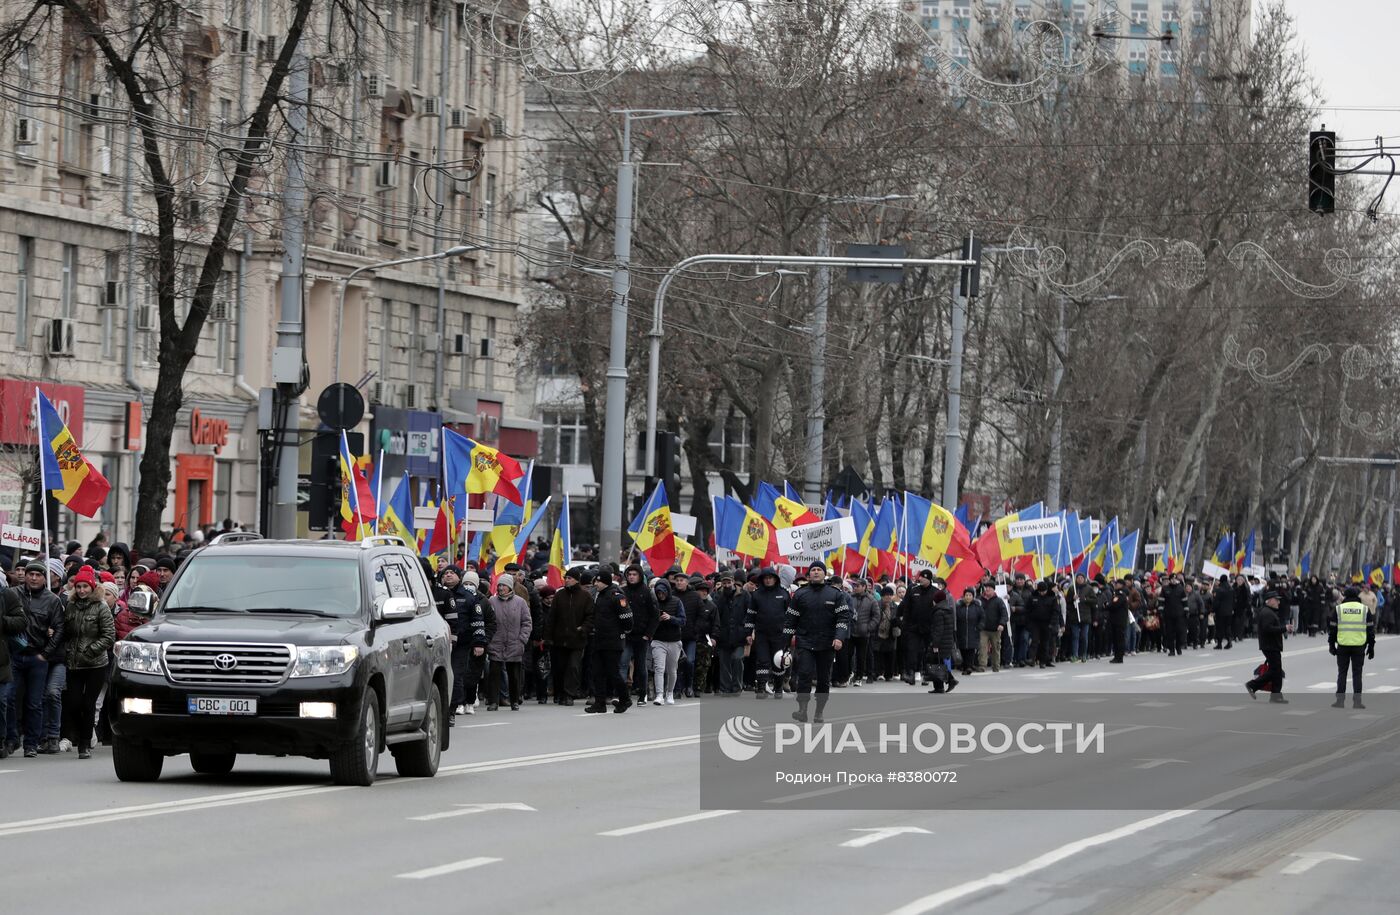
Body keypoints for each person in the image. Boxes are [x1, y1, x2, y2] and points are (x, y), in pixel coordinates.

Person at [7, 561, 65, 757]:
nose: (33, 577)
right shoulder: (13, 594)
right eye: (30, 574)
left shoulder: (52, 600)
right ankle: (11, 739)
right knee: (9, 698)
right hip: (14, 656)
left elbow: (59, 628)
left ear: (44, 577)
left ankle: (32, 743)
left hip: (37, 657)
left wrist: (46, 654)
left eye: (38, 574)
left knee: (34, 702)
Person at [785, 561, 851, 724]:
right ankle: (802, 710)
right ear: (808, 574)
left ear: (824, 574)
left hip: (827, 643)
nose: (815, 572)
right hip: (805, 641)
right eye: (813, 570)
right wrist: (785, 643)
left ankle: (819, 711)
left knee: (823, 679)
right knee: (805, 674)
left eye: (818, 570)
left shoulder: (835, 594)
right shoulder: (800, 594)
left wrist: (839, 637)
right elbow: (790, 620)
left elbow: (843, 618)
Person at [60, 567, 115, 760]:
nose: (82, 590)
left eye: (85, 587)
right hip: (74, 663)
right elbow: (67, 630)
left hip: (95, 664)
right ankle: (83, 733)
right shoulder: (71, 605)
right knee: (74, 704)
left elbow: (109, 636)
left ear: (92, 587)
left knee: (88, 703)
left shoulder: (101, 607)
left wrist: (91, 650)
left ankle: (84, 744)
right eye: (79, 587)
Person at [586, 569, 632, 714]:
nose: (596, 584)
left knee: (613, 672)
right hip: (599, 640)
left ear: (605, 582)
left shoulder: (617, 596)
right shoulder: (599, 596)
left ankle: (625, 699)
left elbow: (627, 618)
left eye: (599, 581)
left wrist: (621, 633)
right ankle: (600, 703)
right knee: (597, 672)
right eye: (596, 581)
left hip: (613, 641)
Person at [546, 567, 593, 707]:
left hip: (577, 639)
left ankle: (569, 694)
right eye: (566, 578)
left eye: (569, 578)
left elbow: (590, 616)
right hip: (560, 639)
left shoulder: (586, 596)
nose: (566, 580)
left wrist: (583, 628)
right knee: (559, 667)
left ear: (576, 580)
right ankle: (560, 693)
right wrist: (548, 636)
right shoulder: (559, 595)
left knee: (573, 667)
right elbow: (551, 617)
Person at [486, 574, 532, 711]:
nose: (501, 588)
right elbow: (488, 621)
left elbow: (527, 622)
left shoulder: (520, 602)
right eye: (499, 585)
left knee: (514, 675)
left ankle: (514, 700)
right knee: (494, 674)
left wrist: (522, 640)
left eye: (504, 585)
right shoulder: (492, 601)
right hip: (496, 643)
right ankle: (494, 702)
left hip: (515, 643)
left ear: (510, 587)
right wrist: (489, 639)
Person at [745, 568, 789, 699]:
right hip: (762, 634)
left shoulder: (784, 594)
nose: (768, 580)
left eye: (771, 577)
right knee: (762, 661)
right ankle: (761, 687)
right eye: (766, 578)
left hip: (779, 635)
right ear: (762, 579)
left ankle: (778, 687)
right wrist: (748, 633)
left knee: (778, 662)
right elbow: (750, 615)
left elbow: (790, 617)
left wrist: (791, 633)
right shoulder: (756, 595)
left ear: (775, 578)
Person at [1328, 586, 1375, 709]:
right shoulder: (1364, 609)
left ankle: (1340, 701)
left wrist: (1331, 645)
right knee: (1357, 674)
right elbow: (1370, 630)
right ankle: (1357, 702)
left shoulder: (1339, 609)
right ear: (1357, 596)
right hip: (1359, 646)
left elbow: (1332, 629)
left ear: (1345, 596)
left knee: (1342, 673)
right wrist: (1371, 647)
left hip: (1343, 645)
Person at [1244, 588, 1288, 703]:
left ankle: (1276, 696)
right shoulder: (1267, 613)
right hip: (1270, 646)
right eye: (1276, 600)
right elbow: (1268, 629)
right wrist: (1284, 628)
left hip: (1271, 645)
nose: (1278, 602)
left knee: (1276, 671)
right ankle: (1252, 685)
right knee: (1274, 671)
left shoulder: (1268, 612)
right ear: (1269, 601)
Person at [620, 565, 655, 704]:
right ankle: (622, 695)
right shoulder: (622, 591)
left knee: (641, 666)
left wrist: (648, 634)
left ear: (640, 576)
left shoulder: (647, 592)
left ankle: (642, 694)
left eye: (634, 574)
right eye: (629, 574)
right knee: (623, 664)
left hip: (642, 636)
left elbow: (654, 615)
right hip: (626, 635)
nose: (631, 576)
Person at [710, 570, 749, 695]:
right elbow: (715, 616)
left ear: (733, 582)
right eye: (724, 582)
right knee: (724, 663)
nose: (726, 585)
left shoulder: (744, 595)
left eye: (729, 582)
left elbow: (749, 614)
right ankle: (725, 688)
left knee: (737, 660)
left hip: (739, 635)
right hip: (723, 636)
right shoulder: (717, 596)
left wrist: (747, 631)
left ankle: (737, 687)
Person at [647, 579, 685, 706]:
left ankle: (670, 692)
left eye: (662, 592)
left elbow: (683, 620)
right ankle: (659, 695)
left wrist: (670, 618)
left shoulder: (677, 602)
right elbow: (649, 620)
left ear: (667, 591)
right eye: (658, 593)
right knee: (659, 668)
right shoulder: (654, 603)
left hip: (674, 641)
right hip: (658, 640)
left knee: (672, 670)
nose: (660, 595)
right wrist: (656, 620)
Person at [0, 584, 27, 759]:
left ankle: (2, 739)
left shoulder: (5, 594)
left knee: (2, 701)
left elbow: (21, 621)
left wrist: (2, 621)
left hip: (1, 660)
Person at [897, 570, 938, 685]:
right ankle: (911, 674)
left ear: (929, 579)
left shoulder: (936, 592)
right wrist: (905, 625)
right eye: (920, 577)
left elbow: (940, 611)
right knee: (912, 651)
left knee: (927, 653)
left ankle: (926, 675)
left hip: (929, 628)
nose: (921, 579)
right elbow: (906, 609)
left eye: (923, 578)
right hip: (913, 628)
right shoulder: (913, 590)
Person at [1026, 579, 1061, 668]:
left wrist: (1052, 623)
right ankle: (1031, 658)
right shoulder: (1033, 596)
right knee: (1034, 640)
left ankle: (1043, 661)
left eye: (1043, 591)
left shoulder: (1052, 597)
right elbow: (1028, 609)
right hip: (1035, 623)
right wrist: (1030, 621)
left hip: (1047, 623)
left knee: (1045, 643)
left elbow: (1055, 612)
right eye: (1040, 591)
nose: (1042, 593)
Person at [872, 586, 899, 681]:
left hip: (890, 633)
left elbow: (897, 617)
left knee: (890, 654)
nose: (888, 597)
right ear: (882, 596)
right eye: (886, 595)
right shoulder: (877, 604)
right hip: (878, 632)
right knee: (877, 653)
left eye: (890, 595)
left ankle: (889, 674)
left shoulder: (895, 606)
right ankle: (878, 673)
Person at [953, 587, 982, 676]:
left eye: (970, 595)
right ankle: (965, 667)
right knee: (963, 650)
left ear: (973, 596)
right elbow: (955, 618)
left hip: (973, 631)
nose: (968, 597)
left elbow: (982, 618)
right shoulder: (959, 607)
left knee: (971, 650)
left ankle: (969, 666)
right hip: (961, 631)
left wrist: (979, 626)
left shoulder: (977, 607)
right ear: (963, 596)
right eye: (966, 595)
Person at [1211, 575, 1234, 650]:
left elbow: (1216, 602)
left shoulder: (1219, 590)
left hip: (1220, 611)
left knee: (1220, 627)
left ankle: (1219, 643)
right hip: (1229, 611)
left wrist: (1213, 610)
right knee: (1227, 626)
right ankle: (1229, 640)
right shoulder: (1231, 589)